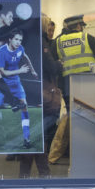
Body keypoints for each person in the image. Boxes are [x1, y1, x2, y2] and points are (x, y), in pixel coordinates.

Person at [18, 15, 62, 178]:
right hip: (41, 94)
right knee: (39, 134)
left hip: (28, 92)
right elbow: (50, 66)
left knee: (33, 133)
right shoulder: (41, 42)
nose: (50, 29)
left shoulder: (25, 40)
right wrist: (58, 64)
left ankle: (26, 174)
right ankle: (43, 173)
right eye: (48, 26)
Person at [55, 14, 95, 109]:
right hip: (88, 82)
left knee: (71, 113)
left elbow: (52, 63)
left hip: (68, 84)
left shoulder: (58, 41)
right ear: (79, 26)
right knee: (89, 111)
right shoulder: (88, 38)